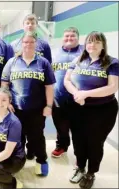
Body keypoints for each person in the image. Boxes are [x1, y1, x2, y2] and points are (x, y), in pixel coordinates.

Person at [64, 31, 119, 189]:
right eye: (89, 42)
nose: (92, 45)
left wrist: (85, 94)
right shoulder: (78, 59)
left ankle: (91, 173)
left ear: (103, 45)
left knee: (95, 143)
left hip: (102, 110)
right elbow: (67, 80)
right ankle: (80, 168)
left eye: (96, 42)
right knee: (78, 140)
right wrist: (76, 94)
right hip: (78, 108)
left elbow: (113, 87)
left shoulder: (112, 62)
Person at [1, 31, 55, 176]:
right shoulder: (11, 62)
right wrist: (7, 103)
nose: (28, 45)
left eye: (31, 42)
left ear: (36, 44)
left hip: (37, 108)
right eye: (26, 42)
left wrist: (49, 106)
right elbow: (4, 84)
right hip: (15, 109)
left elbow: (49, 86)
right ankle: (18, 160)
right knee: (17, 136)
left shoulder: (43, 63)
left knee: (36, 136)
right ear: (21, 44)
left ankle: (41, 160)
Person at [51, 27, 84, 158]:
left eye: (72, 36)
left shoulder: (84, 52)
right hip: (58, 96)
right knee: (61, 126)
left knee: (79, 128)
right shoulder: (55, 53)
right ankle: (62, 146)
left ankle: (80, 154)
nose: (69, 38)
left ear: (78, 38)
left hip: (78, 97)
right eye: (66, 36)